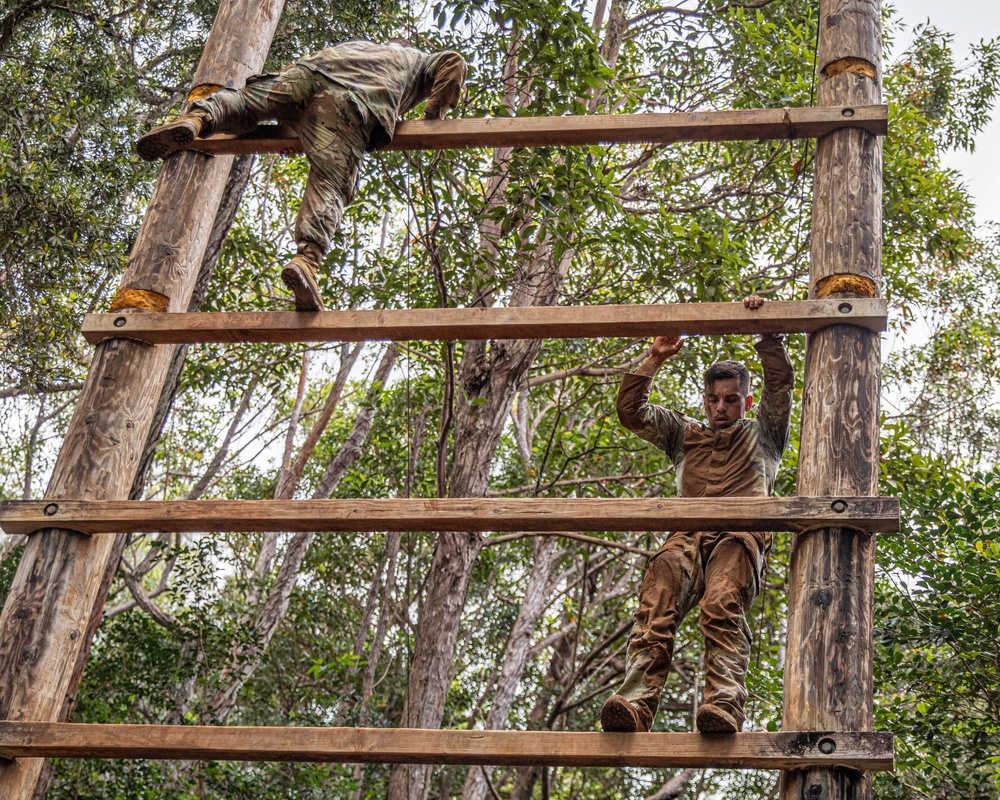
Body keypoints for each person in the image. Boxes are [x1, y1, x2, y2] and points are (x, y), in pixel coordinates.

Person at [136, 40, 467, 311]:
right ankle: (306, 261)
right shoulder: (417, 61)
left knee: (246, 103)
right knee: (331, 183)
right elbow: (453, 62)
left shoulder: (358, 48)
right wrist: (433, 113)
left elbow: (312, 98)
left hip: (306, 75)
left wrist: (293, 130)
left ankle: (198, 120)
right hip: (353, 102)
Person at [601, 294, 794, 735]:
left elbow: (779, 384)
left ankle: (724, 706)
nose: (720, 407)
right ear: (704, 401)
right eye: (712, 399)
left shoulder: (764, 434)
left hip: (737, 538)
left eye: (730, 399)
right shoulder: (684, 434)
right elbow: (631, 413)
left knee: (722, 604)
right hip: (684, 538)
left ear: (745, 403)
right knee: (657, 603)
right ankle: (634, 706)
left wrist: (766, 331)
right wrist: (654, 357)